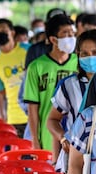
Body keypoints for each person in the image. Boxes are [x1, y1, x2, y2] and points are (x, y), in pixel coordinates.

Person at [47, 29, 96, 173]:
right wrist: (63, 138)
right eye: (85, 54)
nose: (90, 57)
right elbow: (52, 120)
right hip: (75, 156)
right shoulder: (68, 85)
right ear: (78, 56)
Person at [24, 14, 78, 152]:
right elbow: (32, 107)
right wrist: (35, 140)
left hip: (76, 136)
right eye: (66, 34)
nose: (71, 37)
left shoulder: (79, 63)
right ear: (53, 39)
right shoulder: (36, 67)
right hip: (47, 137)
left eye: (73, 33)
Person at [0, 18, 30, 137]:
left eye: (3, 30)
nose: (0, 33)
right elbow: (0, 91)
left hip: (35, 115)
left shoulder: (28, 50)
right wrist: (2, 115)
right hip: (14, 118)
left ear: (12, 33)